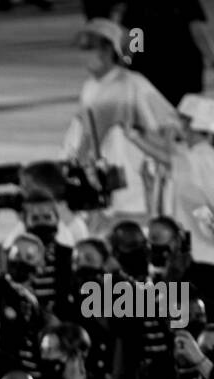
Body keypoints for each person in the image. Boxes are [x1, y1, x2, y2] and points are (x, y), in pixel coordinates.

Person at [63, 19, 181, 229]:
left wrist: (156, 158)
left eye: (89, 48)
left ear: (108, 50)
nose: (84, 55)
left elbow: (169, 122)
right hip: (100, 183)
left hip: (131, 183)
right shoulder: (90, 86)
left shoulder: (131, 83)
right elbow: (83, 132)